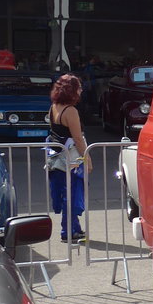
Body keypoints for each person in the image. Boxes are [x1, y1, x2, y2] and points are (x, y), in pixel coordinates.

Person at [46, 73, 92, 243]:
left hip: (57, 158)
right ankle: (68, 231)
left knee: (67, 194)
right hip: (71, 159)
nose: (81, 90)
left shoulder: (54, 107)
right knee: (72, 195)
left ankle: (74, 228)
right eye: (78, 87)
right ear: (71, 90)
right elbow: (78, 139)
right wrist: (87, 159)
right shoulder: (70, 111)